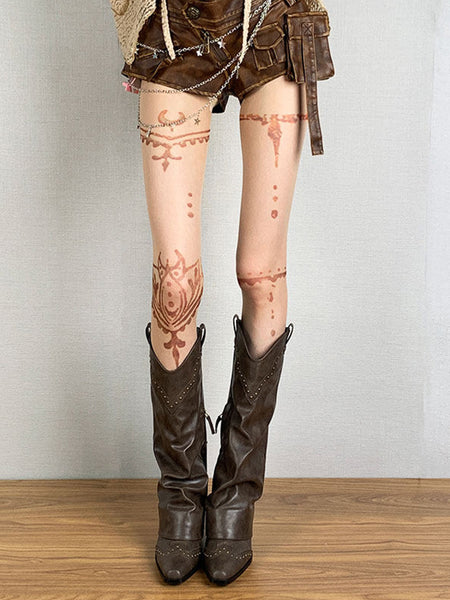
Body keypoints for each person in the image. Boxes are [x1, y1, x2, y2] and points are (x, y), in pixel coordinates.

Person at [110, 0, 335, 586]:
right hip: (177, 26)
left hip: (274, 22)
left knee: (261, 273)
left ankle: (237, 492)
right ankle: (181, 491)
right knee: (175, 280)